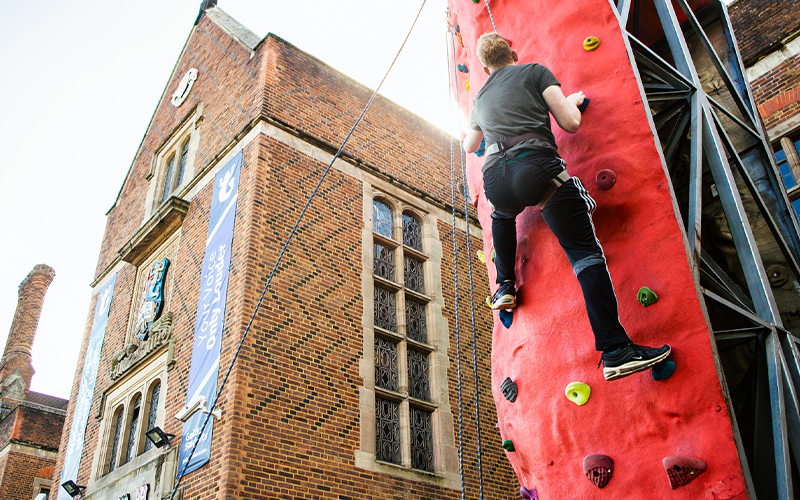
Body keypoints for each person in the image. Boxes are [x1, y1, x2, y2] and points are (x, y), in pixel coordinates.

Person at [463, 32, 670, 381]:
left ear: (485, 68)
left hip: (496, 177)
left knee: (502, 214)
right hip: (537, 169)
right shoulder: (534, 72)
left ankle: (505, 286)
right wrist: (571, 101)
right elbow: (570, 123)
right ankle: (616, 350)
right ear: (513, 52)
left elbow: (471, 145)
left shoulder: (480, 96)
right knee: (586, 256)